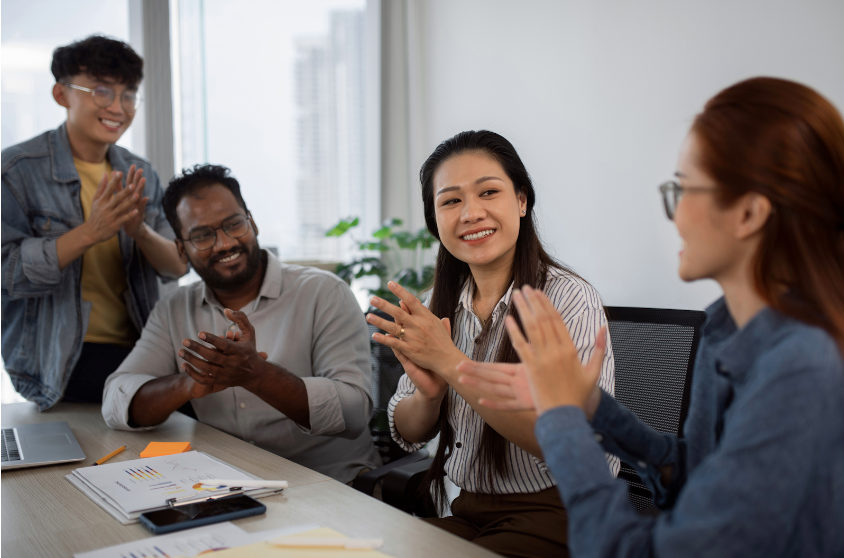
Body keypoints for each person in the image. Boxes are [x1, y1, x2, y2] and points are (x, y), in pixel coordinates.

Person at [458, 78, 844, 557]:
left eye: (684, 190)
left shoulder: (803, 366)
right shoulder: (723, 328)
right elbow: (691, 473)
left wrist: (560, 417)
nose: (674, 215)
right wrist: (590, 406)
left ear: (748, 213)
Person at [366, 131, 616, 558]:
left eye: (488, 192)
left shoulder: (569, 299)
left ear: (521, 201)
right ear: (435, 220)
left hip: (564, 508)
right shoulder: (436, 306)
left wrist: (453, 364)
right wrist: (429, 396)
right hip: (467, 508)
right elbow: (407, 431)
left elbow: (570, 441)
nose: (471, 213)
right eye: (450, 201)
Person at [102, 164, 381, 483]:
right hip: (228, 485)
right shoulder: (173, 309)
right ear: (182, 249)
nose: (224, 244)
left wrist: (258, 375)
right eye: (202, 235)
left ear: (253, 222)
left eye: (234, 224)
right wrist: (189, 384)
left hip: (329, 483)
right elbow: (115, 400)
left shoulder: (324, 292)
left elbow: (355, 413)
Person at [1, 35, 186, 409]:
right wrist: (91, 232)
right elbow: (7, 272)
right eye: (102, 91)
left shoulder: (140, 173)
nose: (118, 107)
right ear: (61, 94)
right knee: (186, 391)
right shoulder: (16, 171)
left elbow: (177, 264)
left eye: (128, 94)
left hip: (140, 344)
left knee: (213, 376)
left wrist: (140, 232)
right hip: (61, 358)